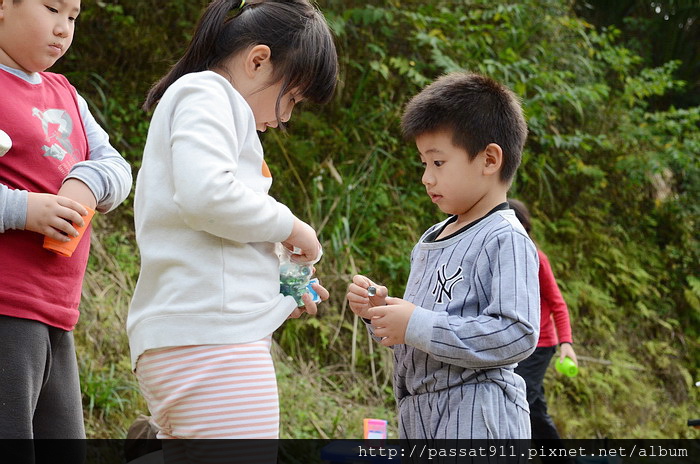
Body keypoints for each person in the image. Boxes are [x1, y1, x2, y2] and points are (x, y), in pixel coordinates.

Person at [126, 0, 338, 443]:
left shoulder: (209, 104)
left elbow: (220, 234)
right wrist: (293, 227)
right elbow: (208, 198)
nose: (285, 119)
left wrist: (282, 284)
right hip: (209, 341)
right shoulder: (208, 93)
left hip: (199, 334)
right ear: (258, 60)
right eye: (292, 99)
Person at [347, 72, 540, 440]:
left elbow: (518, 331)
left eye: (437, 163)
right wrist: (383, 313)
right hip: (419, 411)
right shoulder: (431, 239)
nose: (426, 178)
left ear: (489, 159)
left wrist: (416, 324)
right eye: (423, 163)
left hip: (478, 411)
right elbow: (420, 327)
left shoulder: (505, 237)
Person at [0, 0, 132, 450]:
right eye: (51, 8)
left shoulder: (66, 93)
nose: (63, 29)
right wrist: (24, 210)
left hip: (57, 312)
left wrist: (86, 181)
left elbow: (116, 166)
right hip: (6, 306)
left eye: (73, 17)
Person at [508, 198, 578, 463]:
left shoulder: (536, 257)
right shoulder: (500, 254)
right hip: (513, 342)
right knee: (533, 407)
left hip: (541, 344)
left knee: (520, 398)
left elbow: (558, 304)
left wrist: (566, 344)